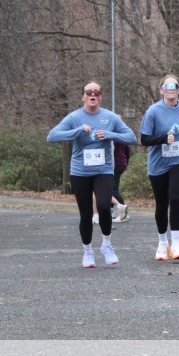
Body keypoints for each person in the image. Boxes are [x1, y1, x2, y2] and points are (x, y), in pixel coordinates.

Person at [47, 81, 137, 268]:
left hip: (103, 170)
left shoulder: (110, 117)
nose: (92, 95)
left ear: (101, 97)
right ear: (83, 96)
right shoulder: (74, 117)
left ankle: (106, 245)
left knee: (104, 206)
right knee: (86, 213)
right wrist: (78, 131)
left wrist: (110, 135)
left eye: (96, 92)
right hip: (80, 172)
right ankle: (88, 252)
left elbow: (131, 137)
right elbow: (52, 136)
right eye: (89, 92)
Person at [140, 75, 179, 261]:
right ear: (162, 90)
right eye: (168, 85)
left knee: (174, 197)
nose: (171, 88)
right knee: (161, 203)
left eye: (175, 85)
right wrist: (163, 139)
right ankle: (162, 243)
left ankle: (176, 244)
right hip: (158, 163)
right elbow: (144, 139)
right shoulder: (153, 111)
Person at [112, 141, 131, 222]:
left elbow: (111, 150)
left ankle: (124, 211)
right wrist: (127, 163)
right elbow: (127, 150)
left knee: (112, 190)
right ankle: (113, 211)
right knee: (113, 188)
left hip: (115, 164)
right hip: (122, 163)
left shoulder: (113, 138)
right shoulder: (122, 138)